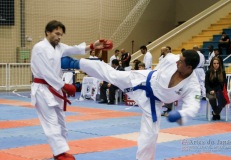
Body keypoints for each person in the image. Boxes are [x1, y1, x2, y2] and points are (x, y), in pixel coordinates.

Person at [61, 50, 201, 160]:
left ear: (189, 67)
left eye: (181, 61)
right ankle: (75, 63)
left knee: (151, 134)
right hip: (143, 80)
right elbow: (160, 69)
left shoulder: (193, 86)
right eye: (179, 58)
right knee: (112, 75)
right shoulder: (171, 59)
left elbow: (193, 106)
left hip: (153, 102)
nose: (178, 61)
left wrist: (181, 114)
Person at [31, 20, 111, 160]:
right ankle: (59, 153)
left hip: (54, 88)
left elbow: (74, 49)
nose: (59, 37)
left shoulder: (59, 47)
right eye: (56, 34)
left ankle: (61, 150)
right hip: (42, 89)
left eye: (61, 34)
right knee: (51, 122)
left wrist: (93, 45)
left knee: (61, 121)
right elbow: (45, 72)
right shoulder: (39, 48)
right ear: (47, 32)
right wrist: (63, 86)